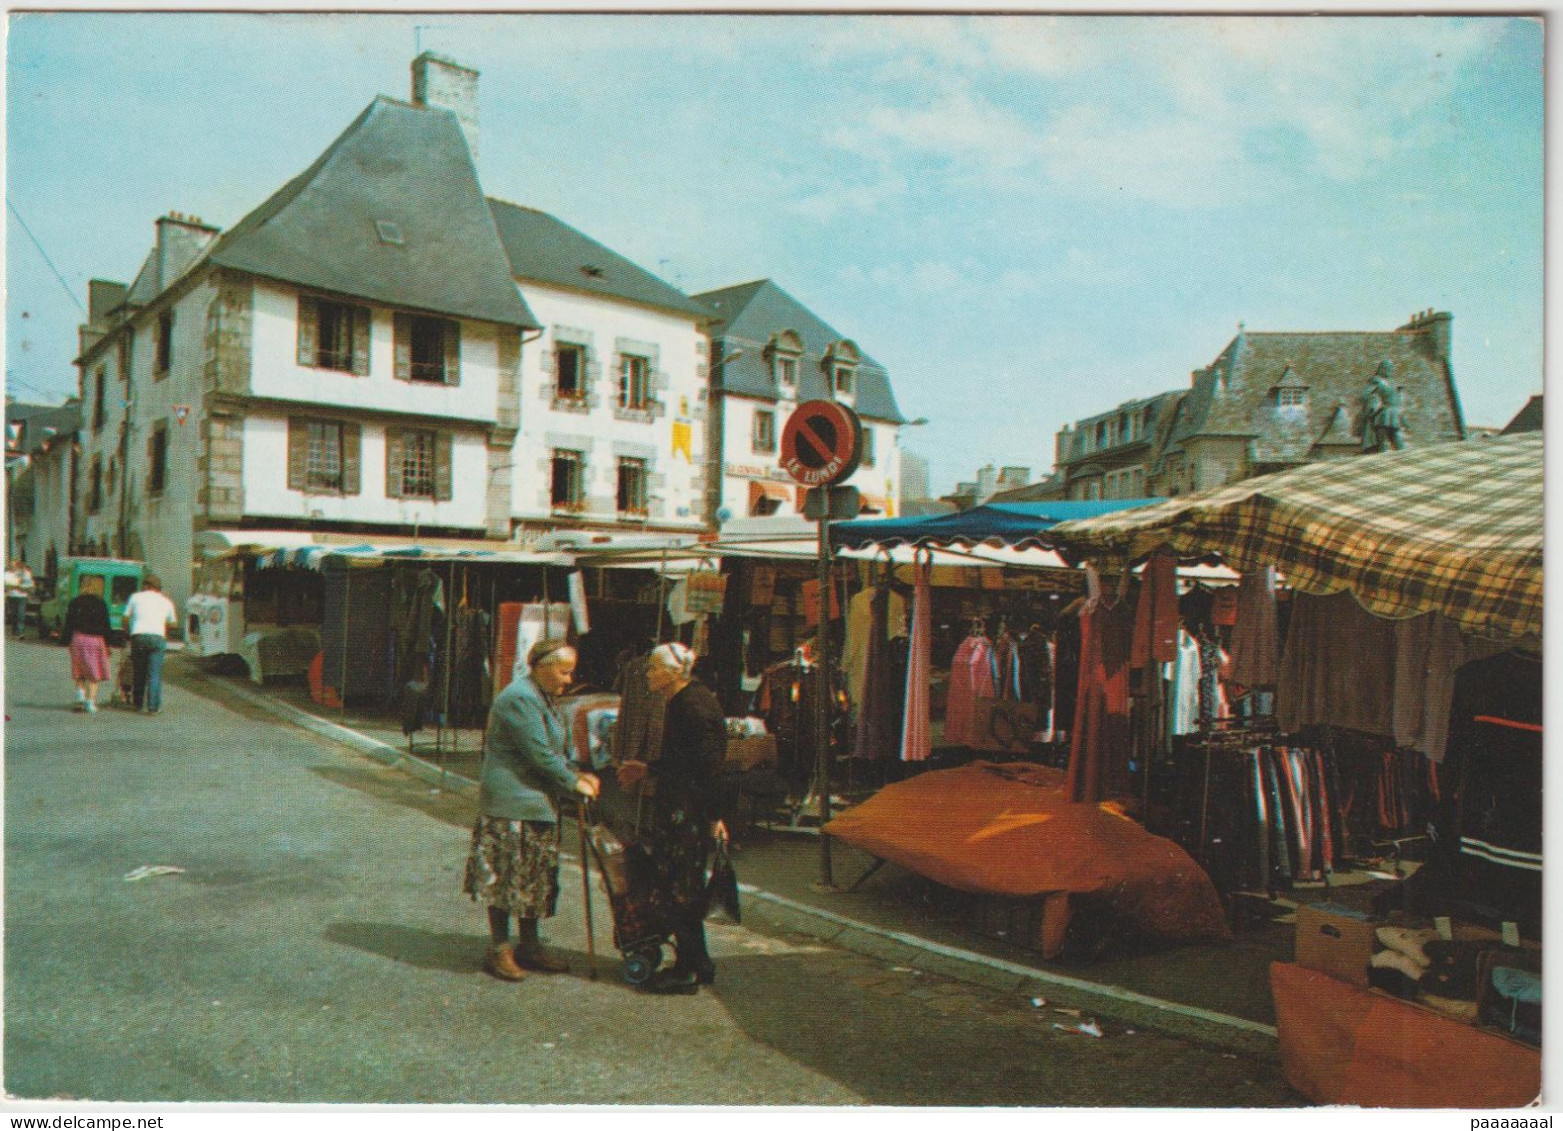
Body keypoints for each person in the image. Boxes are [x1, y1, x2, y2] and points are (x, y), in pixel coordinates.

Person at [462, 639, 600, 982]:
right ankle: (500, 949)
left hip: (537, 803)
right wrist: (572, 783)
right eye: (563, 671)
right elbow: (538, 753)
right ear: (541, 666)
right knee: (506, 877)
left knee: (533, 878)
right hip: (513, 803)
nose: (568, 680)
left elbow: (558, 748)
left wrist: (577, 773)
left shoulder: (544, 697)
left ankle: (529, 945)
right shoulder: (519, 698)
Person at [616, 642, 729, 993]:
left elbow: (706, 767)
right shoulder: (682, 701)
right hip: (684, 807)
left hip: (688, 812)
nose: (648, 673)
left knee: (681, 889)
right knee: (681, 887)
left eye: (653, 668)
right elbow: (684, 759)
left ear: (672, 672)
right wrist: (647, 768)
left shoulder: (692, 706)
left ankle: (689, 969)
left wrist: (716, 816)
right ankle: (698, 962)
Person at [124, 573, 178, 714]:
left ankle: (137, 703)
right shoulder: (166, 601)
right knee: (155, 673)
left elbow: (125, 618)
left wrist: (128, 633)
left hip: (139, 636)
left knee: (139, 671)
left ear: (146, 586)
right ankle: (153, 707)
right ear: (158, 588)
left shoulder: (135, 597)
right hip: (157, 637)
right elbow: (174, 623)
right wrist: (164, 628)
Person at [62, 579, 112, 712]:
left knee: (79, 670)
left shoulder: (75, 602)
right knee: (94, 672)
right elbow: (106, 625)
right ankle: (90, 701)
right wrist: (109, 644)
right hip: (96, 640)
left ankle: (80, 697)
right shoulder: (101, 603)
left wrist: (66, 641)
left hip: (78, 638)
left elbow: (68, 623)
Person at [6, 558, 34, 639]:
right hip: (11, 596)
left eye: (15, 564)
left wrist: (21, 586)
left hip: (22, 596)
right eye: (12, 565)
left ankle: (20, 632)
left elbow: (29, 583)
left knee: (20, 614)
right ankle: (14, 632)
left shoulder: (25, 573)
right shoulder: (9, 573)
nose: (13, 566)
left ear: (18, 564)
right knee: (14, 614)